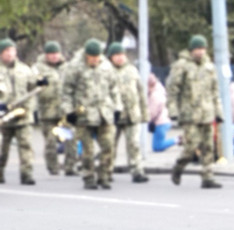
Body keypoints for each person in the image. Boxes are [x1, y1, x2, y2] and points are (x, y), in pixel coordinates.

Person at [60, 39, 121, 190]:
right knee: (88, 150)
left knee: (108, 146)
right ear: (86, 56)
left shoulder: (106, 66)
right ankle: (88, 177)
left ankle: (104, 175)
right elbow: (66, 92)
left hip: (104, 113)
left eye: (98, 57)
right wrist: (69, 112)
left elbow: (114, 88)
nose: (95, 60)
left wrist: (118, 108)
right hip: (84, 115)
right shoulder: (74, 67)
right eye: (92, 58)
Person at [166, 35, 223, 189]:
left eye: (202, 49)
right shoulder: (181, 66)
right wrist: (173, 110)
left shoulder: (209, 67)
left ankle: (207, 176)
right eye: (197, 49)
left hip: (207, 112)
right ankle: (178, 167)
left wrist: (219, 111)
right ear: (191, 50)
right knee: (191, 146)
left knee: (208, 146)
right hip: (189, 113)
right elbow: (172, 89)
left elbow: (215, 91)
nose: (200, 52)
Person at [0, 37, 41, 185]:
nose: (10, 54)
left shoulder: (24, 70)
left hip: (23, 115)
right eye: (6, 51)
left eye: (12, 51)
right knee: (2, 149)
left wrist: (28, 108)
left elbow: (33, 90)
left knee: (26, 146)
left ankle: (27, 174)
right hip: (3, 118)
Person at [108, 42, 149, 183]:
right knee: (110, 145)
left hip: (132, 114)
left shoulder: (132, 70)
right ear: (111, 57)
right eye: (116, 55)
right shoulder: (106, 71)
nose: (119, 58)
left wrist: (144, 113)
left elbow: (141, 92)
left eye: (121, 55)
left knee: (134, 144)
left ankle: (137, 170)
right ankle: (107, 170)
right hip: (113, 115)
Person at [35, 41, 77, 176]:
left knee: (71, 139)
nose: (54, 56)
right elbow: (31, 85)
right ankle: (53, 167)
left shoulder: (67, 68)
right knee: (51, 142)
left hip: (64, 111)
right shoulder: (38, 69)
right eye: (51, 54)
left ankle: (70, 166)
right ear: (46, 55)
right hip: (47, 112)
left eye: (56, 53)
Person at [147, 73, 177, 152]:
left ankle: (178, 140)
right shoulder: (159, 90)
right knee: (157, 145)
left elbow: (154, 110)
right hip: (163, 121)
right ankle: (178, 140)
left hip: (161, 122)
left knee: (158, 146)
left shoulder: (155, 94)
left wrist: (149, 118)